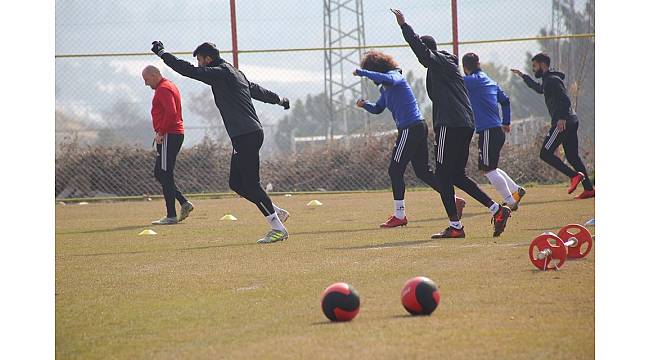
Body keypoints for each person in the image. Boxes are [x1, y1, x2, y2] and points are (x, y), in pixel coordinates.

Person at [151, 41, 292, 243]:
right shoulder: (234, 73)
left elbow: (187, 70)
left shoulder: (220, 73)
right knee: (236, 183)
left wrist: (163, 53)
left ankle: (278, 228)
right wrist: (279, 99)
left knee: (251, 185)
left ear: (208, 59)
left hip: (246, 135)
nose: (198, 64)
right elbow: (256, 90)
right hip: (246, 135)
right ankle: (276, 211)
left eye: (200, 60)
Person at [391, 9, 511, 238]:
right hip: (464, 124)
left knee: (443, 176)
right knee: (455, 175)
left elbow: (423, 53)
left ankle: (456, 227)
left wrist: (404, 26)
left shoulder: (439, 61)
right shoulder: (445, 68)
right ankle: (496, 209)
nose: (421, 59)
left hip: (450, 124)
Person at [353, 50, 466, 228]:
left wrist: (362, 72)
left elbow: (391, 79)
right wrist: (364, 105)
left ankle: (400, 215)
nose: (370, 78)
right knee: (422, 172)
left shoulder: (394, 76)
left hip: (410, 128)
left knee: (395, 170)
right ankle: (454, 200)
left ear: (376, 69)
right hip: (415, 128)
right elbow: (378, 109)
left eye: (370, 73)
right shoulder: (385, 89)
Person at [511, 53, 594, 199]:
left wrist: (561, 118)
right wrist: (523, 76)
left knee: (545, 153)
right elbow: (539, 89)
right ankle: (589, 189)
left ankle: (574, 176)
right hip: (572, 120)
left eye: (535, 66)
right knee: (573, 156)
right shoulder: (549, 79)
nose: (533, 69)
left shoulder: (552, 80)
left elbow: (566, 100)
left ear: (543, 65)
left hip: (563, 122)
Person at [461, 53, 526, 210]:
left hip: (488, 131)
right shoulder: (490, 80)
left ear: (465, 68)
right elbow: (505, 101)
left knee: (489, 170)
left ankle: (510, 201)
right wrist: (506, 122)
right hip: (496, 130)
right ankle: (516, 190)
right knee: (491, 168)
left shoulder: (469, 81)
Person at [142, 65, 194, 225]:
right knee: (160, 173)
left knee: (165, 173)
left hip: (169, 135)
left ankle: (171, 215)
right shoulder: (169, 85)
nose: (145, 84)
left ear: (154, 75)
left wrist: (161, 132)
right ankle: (183, 202)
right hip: (172, 134)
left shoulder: (163, 89)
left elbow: (171, 112)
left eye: (146, 79)